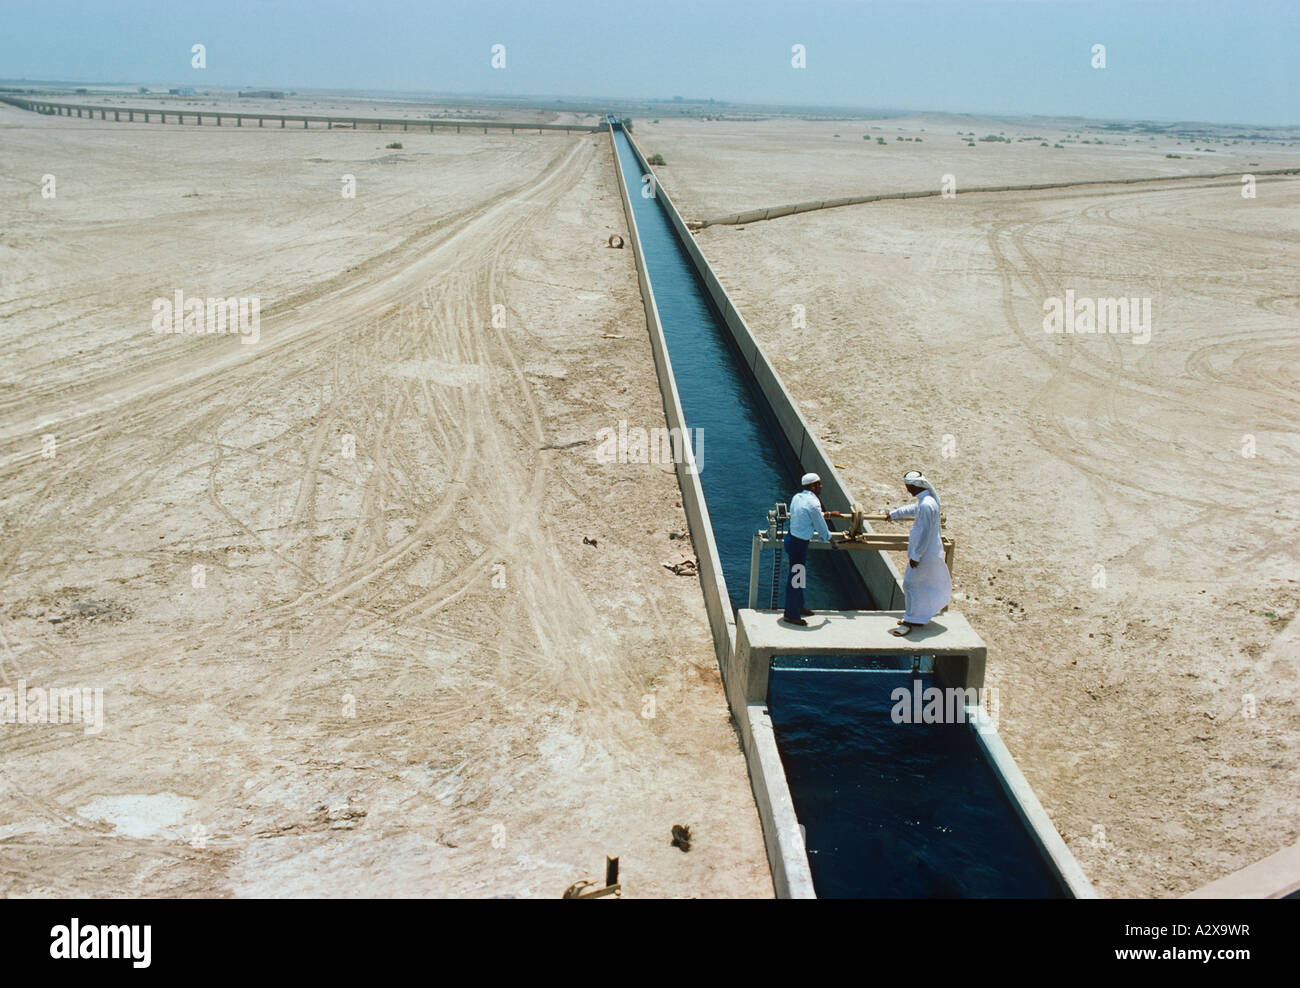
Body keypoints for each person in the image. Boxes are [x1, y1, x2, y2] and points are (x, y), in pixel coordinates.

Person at [883, 470, 951, 637]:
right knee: (919, 585)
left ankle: (908, 621)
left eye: (908, 487)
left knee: (910, 584)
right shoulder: (925, 502)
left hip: (925, 554)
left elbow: (925, 534)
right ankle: (916, 618)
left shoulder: (927, 505)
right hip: (925, 553)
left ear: (915, 486)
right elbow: (913, 509)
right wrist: (893, 514)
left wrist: (916, 556)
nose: (908, 490)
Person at [781, 472, 840, 626]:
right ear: (813, 486)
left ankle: (798, 606)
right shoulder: (813, 503)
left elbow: (809, 514)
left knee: (799, 575)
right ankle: (790, 614)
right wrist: (832, 541)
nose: (821, 486)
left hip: (792, 539)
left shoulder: (798, 497)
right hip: (799, 544)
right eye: (819, 484)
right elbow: (821, 527)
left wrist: (827, 514)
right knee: (795, 578)